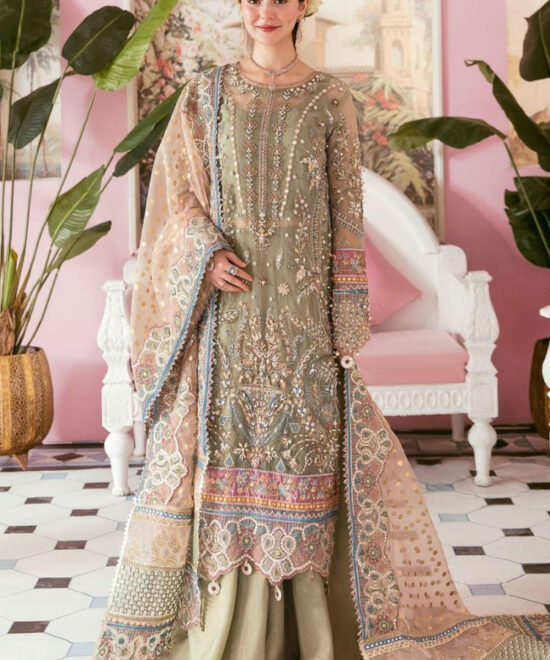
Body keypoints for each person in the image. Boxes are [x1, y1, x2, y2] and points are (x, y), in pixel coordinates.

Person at [93, 1, 550, 658]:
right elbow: (175, 199)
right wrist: (205, 253)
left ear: (305, 4)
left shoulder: (330, 98)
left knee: (306, 469)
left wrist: (344, 322)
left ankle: (314, 635)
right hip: (228, 330)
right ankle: (228, 632)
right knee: (228, 467)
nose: (265, 11)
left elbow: (345, 218)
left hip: (305, 327)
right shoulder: (204, 96)